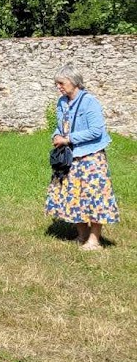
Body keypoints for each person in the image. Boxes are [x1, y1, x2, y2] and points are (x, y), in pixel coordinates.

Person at [46, 65, 120, 251]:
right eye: (56, 84)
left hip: (91, 157)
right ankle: (82, 235)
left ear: (74, 82)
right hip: (71, 158)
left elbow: (96, 131)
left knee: (94, 198)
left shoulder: (89, 102)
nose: (58, 87)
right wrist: (56, 135)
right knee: (73, 196)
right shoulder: (62, 102)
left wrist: (68, 139)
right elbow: (60, 126)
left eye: (61, 83)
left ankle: (94, 241)